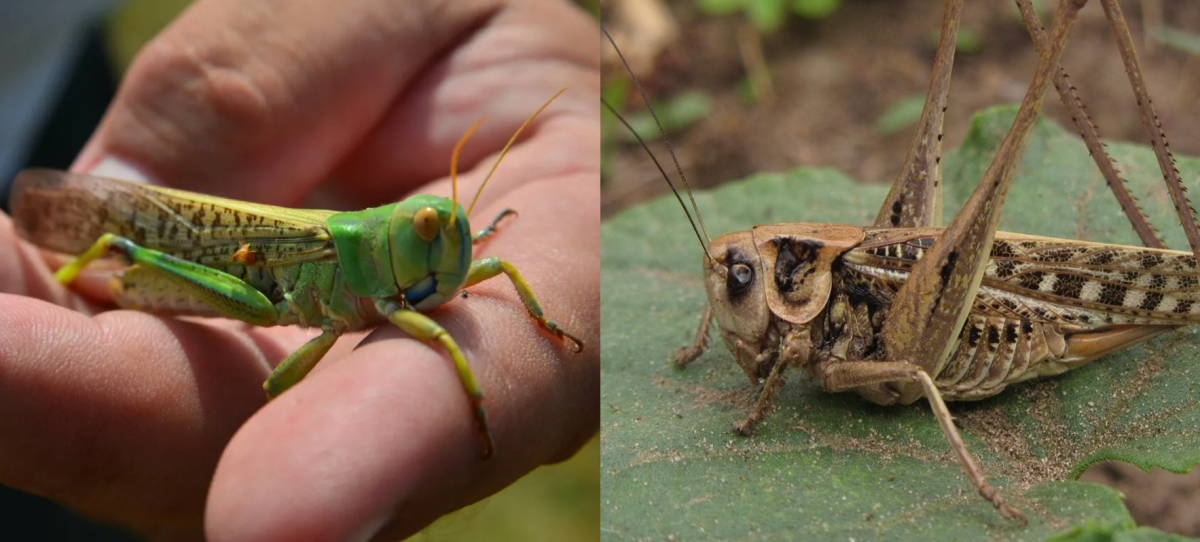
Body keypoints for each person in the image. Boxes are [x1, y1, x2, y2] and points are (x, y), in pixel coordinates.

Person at [0, 0, 599, 540]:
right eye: (426, 230)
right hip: (247, 291)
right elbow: (438, 338)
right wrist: (476, 402)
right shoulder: (357, 260)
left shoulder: (409, 273)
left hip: (58, 71)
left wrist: (539, 319)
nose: (446, 242)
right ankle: (60, 280)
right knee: (122, 244)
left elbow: (497, 270)